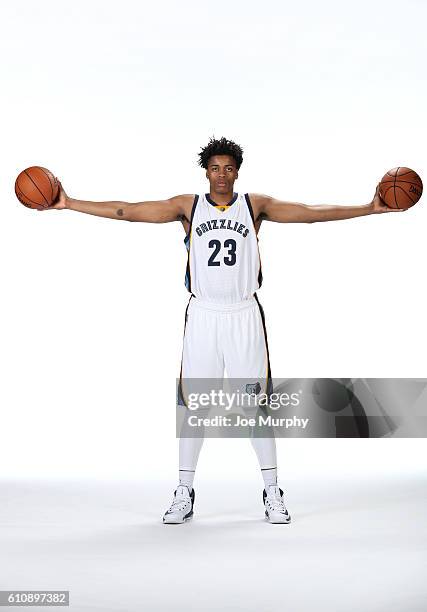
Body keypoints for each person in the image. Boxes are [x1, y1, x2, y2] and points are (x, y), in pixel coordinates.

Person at [44, 136, 403, 524]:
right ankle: (184, 491)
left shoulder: (255, 206)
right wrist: (69, 203)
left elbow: (309, 213)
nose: (221, 175)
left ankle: (272, 492)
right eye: (215, 168)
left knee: (256, 408)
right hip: (203, 316)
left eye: (228, 168)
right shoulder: (188, 207)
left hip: (243, 315)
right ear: (206, 172)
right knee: (194, 407)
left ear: (237, 172)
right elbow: (127, 211)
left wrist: (369, 208)